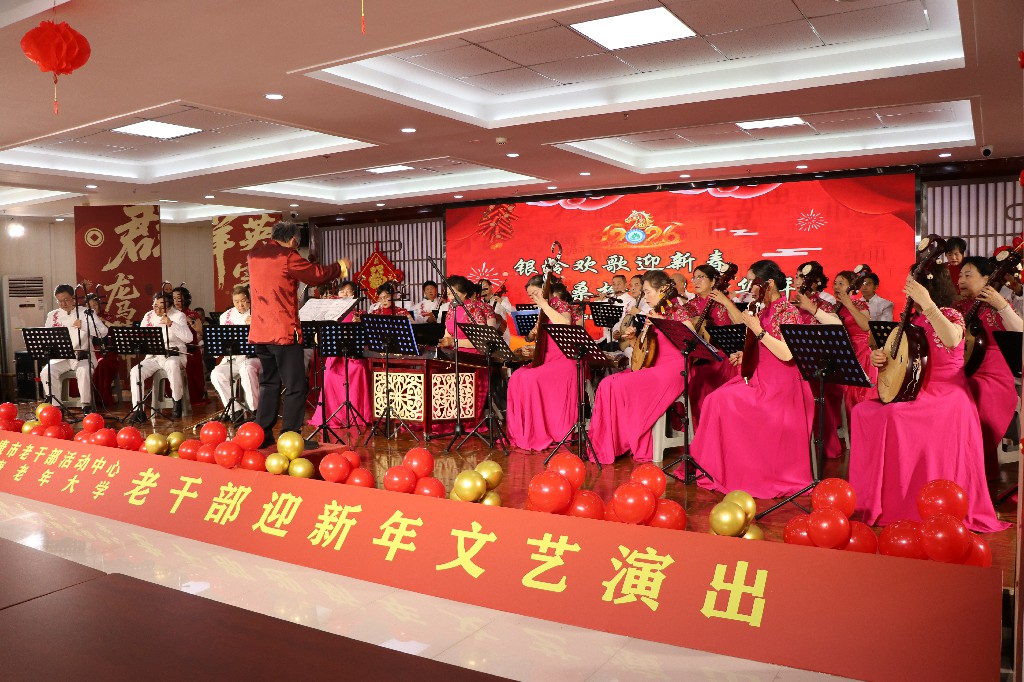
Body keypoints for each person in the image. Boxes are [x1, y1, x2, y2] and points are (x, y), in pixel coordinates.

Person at [850, 267, 1007, 533]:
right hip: (918, 390)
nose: (907, 288)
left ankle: (909, 502)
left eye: (911, 283)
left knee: (893, 415)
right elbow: (901, 360)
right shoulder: (913, 320)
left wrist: (928, 304)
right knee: (862, 411)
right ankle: (875, 500)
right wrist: (881, 358)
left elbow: (952, 339)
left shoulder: (950, 314)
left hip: (947, 395)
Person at [691, 260, 814, 498]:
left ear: (768, 283)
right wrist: (744, 353)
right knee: (714, 399)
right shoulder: (762, 308)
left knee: (722, 401)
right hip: (759, 376)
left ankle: (743, 471)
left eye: (752, 282)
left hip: (781, 385)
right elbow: (762, 346)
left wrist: (758, 330)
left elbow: (787, 354)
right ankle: (724, 468)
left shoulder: (788, 311)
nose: (749, 287)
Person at [248, 221, 344, 449]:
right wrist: (340, 267)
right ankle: (290, 437)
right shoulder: (287, 256)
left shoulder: (254, 255)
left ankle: (263, 434)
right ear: (293, 241)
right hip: (282, 332)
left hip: (260, 332)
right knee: (296, 385)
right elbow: (317, 276)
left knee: (269, 383)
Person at [588, 270, 695, 463]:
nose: (645, 297)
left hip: (674, 370)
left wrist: (663, 321)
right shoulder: (653, 312)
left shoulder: (679, 311)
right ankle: (612, 444)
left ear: (663, 290)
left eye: (647, 292)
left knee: (618, 385)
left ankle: (630, 439)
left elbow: (692, 341)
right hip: (654, 366)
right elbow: (646, 350)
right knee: (607, 383)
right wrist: (633, 339)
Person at [955, 256, 1023, 479]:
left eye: (968, 275)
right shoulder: (957, 307)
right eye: (960, 275)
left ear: (987, 279)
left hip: (995, 372)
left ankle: (975, 468)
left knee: (978, 394)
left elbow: (1021, 333)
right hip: (964, 368)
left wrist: (1002, 307)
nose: (961, 280)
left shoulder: (999, 304)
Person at [505, 275, 581, 451]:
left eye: (535, 293)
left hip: (565, 360)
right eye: (531, 295)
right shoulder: (544, 309)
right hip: (547, 359)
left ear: (546, 289)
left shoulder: (559, 305)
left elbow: (565, 324)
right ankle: (524, 432)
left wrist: (545, 306)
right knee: (517, 376)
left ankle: (540, 431)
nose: (533, 298)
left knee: (530, 378)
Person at [792, 263, 844, 459]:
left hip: (820, 366)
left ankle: (819, 448)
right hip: (794, 363)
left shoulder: (824, 305)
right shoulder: (790, 306)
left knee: (815, 387)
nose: (798, 280)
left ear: (816, 282)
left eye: (802, 277)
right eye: (796, 276)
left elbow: (837, 326)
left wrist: (812, 309)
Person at [682, 264, 741, 428]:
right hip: (699, 358)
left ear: (714, 281)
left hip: (722, 358)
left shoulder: (722, 302)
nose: (696, 281)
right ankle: (700, 430)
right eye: (694, 278)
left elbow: (741, 323)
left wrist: (726, 302)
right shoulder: (689, 305)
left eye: (701, 277)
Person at [309, 280, 371, 430]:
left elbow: (368, 339)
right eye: (342, 291)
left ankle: (358, 415)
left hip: (354, 357)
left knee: (360, 369)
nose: (345, 294)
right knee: (329, 373)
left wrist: (360, 324)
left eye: (349, 291)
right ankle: (332, 415)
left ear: (355, 294)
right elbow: (320, 338)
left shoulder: (360, 314)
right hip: (336, 357)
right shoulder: (331, 313)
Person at [39, 284, 107, 414]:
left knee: (84, 370)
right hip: (62, 357)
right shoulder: (53, 315)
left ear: (74, 298)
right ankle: (56, 407)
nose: (63, 304)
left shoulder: (86, 312)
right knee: (46, 372)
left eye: (66, 300)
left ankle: (86, 405)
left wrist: (84, 326)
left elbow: (103, 332)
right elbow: (47, 336)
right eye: (59, 301)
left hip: (82, 356)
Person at [127, 292, 190, 422]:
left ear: (169, 306)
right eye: (155, 305)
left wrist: (171, 324)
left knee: (172, 365)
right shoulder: (149, 316)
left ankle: (177, 402)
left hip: (173, 355)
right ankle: (138, 410)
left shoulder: (178, 316)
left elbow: (188, 338)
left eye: (161, 307)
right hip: (154, 356)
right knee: (135, 371)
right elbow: (141, 336)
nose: (157, 309)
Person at [210, 285, 260, 423]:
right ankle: (235, 411)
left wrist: (256, 324)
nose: (240, 305)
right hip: (232, 359)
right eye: (236, 302)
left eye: (243, 301)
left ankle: (255, 410)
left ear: (248, 299)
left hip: (252, 358)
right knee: (216, 374)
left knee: (246, 370)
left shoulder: (257, 312)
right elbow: (222, 340)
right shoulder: (225, 316)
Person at [832, 270, 877, 413]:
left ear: (851, 287)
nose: (836, 287)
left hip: (861, 353)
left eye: (841, 284)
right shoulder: (834, 307)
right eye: (835, 283)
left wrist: (849, 305)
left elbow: (866, 326)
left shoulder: (859, 304)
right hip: (843, 354)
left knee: (860, 397)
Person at [171, 285, 209, 407]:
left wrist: (191, 322)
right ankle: (174, 397)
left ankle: (195, 396)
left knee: (192, 363)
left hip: (191, 349)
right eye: (173, 298)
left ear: (186, 298)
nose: (176, 301)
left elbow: (200, 332)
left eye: (179, 298)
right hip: (176, 349)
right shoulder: (170, 315)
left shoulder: (192, 314)